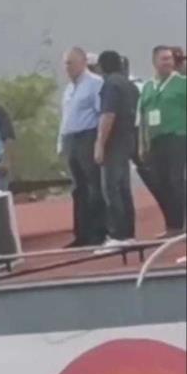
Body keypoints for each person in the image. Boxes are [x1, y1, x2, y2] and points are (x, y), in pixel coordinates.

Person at [60, 47, 107, 246]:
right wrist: (61, 142)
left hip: (87, 136)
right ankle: (81, 234)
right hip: (71, 139)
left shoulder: (95, 84)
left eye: (70, 63)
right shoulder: (69, 88)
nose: (67, 67)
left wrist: (99, 142)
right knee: (78, 188)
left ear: (82, 63)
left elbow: (102, 114)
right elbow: (65, 117)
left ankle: (98, 232)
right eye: (65, 64)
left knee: (93, 185)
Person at [138, 45, 187, 236]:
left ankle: (183, 223)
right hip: (155, 140)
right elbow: (142, 116)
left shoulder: (182, 83)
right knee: (161, 182)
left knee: (176, 180)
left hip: (178, 136)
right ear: (154, 62)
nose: (168, 62)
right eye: (163, 59)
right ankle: (173, 225)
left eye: (170, 59)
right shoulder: (148, 87)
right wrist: (142, 143)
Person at [94, 50, 138, 245]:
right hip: (128, 139)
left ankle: (118, 234)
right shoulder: (130, 85)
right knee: (124, 188)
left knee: (111, 188)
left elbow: (108, 115)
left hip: (114, 142)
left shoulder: (110, 85)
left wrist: (100, 144)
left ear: (101, 67)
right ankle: (129, 233)